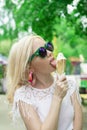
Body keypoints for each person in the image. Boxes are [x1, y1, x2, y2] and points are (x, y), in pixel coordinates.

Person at [6, 34, 83, 130]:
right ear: (29, 67)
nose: (49, 52)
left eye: (48, 46)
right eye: (42, 52)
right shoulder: (24, 96)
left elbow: (78, 125)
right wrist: (57, 97)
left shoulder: (70, 84)